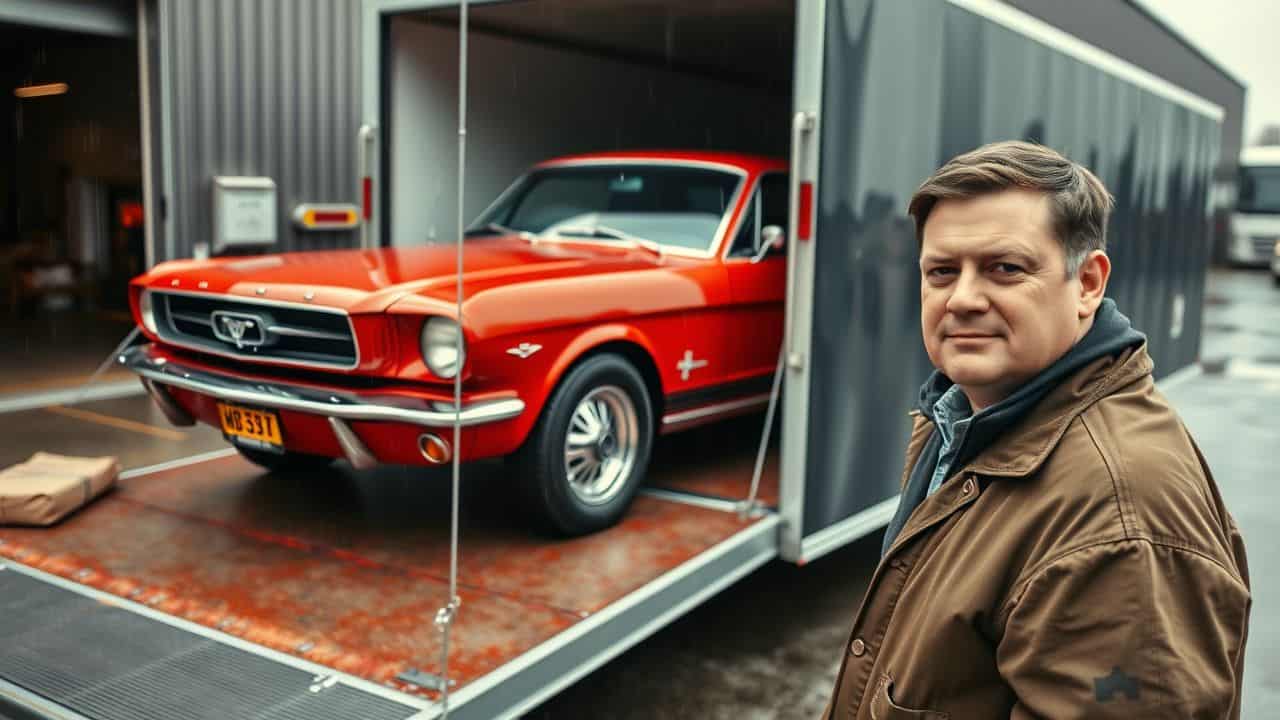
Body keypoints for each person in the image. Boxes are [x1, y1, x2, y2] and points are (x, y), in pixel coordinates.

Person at [822, 141, 1250, 719]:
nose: (964, 299)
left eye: (1005, 268)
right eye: (941, 271)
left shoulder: (1119, 522)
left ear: (1088, 284)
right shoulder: (962, 420)